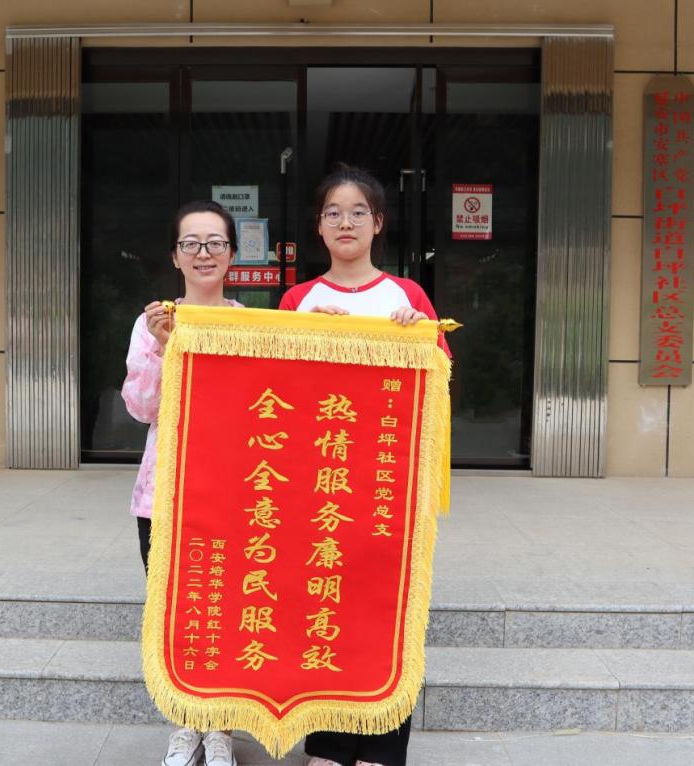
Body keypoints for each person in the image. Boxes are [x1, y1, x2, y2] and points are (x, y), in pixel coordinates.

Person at [279, 164, 447, 766]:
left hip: (386, 487)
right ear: (318, 227)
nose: (344, 222)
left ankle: (383, 748)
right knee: (322, 610)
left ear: (378, 223)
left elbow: (441, 389)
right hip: (319, 488)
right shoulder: (298, 301)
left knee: (386, 616)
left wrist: (420, 338)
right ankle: (326, 745)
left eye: (357, 212)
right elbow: (273, 399)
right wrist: (301, 338)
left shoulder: (407, 296)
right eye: (333, 212)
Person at [122, 200, 242, 766]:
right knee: (174, 614)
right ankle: (185, 723)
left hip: (234, 495)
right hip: (164, 496)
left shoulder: (250, 326)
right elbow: (142, 407)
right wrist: (164, 346)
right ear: (175, 256)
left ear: (233, 255)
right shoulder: (152, 323)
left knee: (226, 610)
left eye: (215, 242)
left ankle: (220, 728)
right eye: (191, 243)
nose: (203, 253)